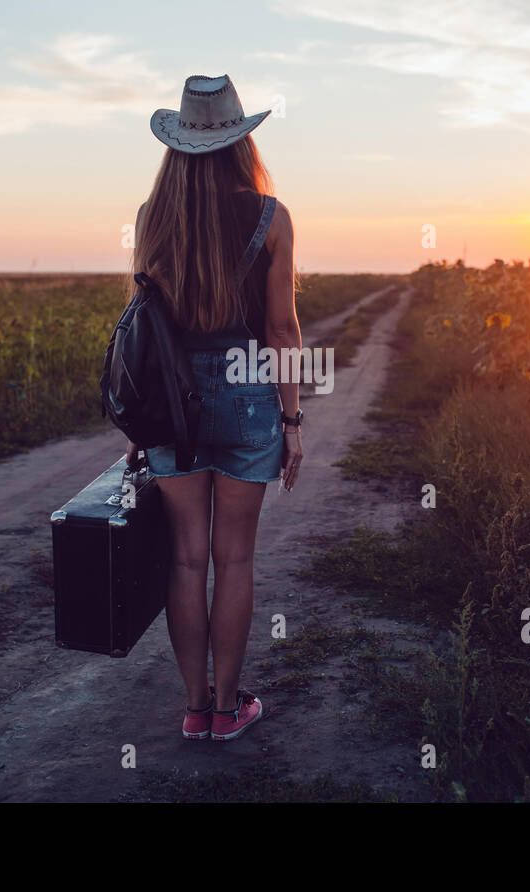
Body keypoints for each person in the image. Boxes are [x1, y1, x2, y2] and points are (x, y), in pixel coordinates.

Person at [128, 74, 303, 742]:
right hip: (247, 397)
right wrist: (290, 421)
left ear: (177, 145)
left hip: (171, 404)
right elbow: (283, 332)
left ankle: (196, 706)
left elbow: (143, 325)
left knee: (185, 560)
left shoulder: (152, 218)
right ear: (240, 141)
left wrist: (139, 424)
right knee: (233, 560)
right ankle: (229, 710)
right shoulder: (271, 215)